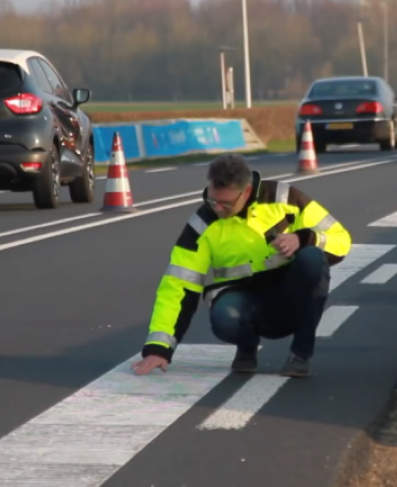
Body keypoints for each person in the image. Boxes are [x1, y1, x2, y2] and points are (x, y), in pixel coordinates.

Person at [131, 153, 351, 379]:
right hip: (241, 300)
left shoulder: (285, 199)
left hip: (289, 300)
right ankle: (246, 346)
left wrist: (304, 238)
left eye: (225, 203)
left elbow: (341, 239)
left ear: (246, 191)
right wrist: (160, 348)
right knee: (224, 317)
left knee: (312, 258)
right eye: (212, 199)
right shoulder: (202, 223)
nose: (217, 208)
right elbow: (178, 285)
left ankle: (301, 353)